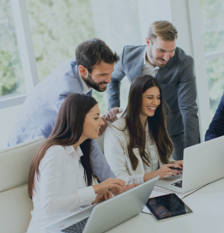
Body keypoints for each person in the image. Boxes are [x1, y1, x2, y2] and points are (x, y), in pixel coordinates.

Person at [8, 39, 121, 182]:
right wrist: (112, 182)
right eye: (103, 75)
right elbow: (87, 140)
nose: (109, 80)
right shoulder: (67, 93)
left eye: (110, 73)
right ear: (83, 70)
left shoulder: (83, 63)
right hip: (28, 143)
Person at [27, 94, 131, 231]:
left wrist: (93, 200)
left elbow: (70, 199)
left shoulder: (77, 153)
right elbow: (49, 207)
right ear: (78, 119)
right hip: (50, 228)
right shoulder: (55, 153)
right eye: (96, 117)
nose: (101, 122)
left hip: (73, 222)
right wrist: (96, 188)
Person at [107, 20, 200, 160]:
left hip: (172, 132)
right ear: (148, 42)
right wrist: (113, 105)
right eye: (161, 50)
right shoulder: (128, 55)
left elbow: (189, 109)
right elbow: (112, 78)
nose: (166, 57)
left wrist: (193, 152)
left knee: (185, 173)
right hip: (137, 131)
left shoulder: (184, 63)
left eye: (171, 51)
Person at [104, 75, 183, 185]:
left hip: (162, 189)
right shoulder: (115, 132)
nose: (155, 102)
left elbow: (158, 165)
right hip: (136, 195)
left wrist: (173, 165)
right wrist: (155, 175)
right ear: (136, 98)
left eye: (158, 97)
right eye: (150, 97)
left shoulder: (154, 124)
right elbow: (119, 179)